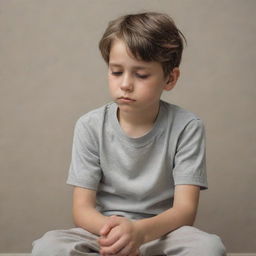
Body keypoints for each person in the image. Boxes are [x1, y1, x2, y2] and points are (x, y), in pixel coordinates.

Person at [32, 12, 226, 256]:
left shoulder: (187, 126)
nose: (125, 84)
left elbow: (185, 210)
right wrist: (119, 235)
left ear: (170, 78)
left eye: (141, 74)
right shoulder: (90, 125)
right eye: (116, 72)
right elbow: (82, 209)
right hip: (103, 233)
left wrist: (140, 233)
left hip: (161, 233)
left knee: (209, 248)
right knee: (48, 246)